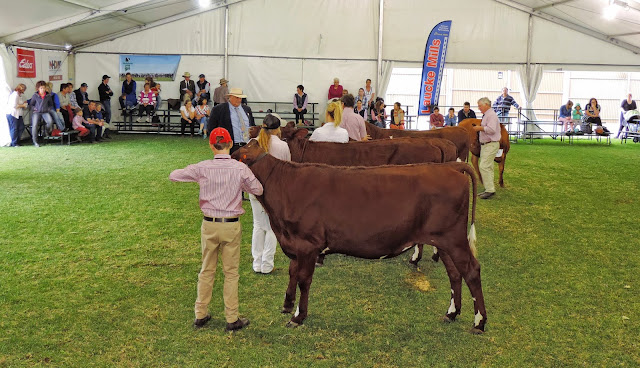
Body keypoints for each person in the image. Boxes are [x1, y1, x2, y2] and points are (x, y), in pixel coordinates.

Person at [169, 127, 263, 331]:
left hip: (209, 224)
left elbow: (174, 175)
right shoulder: (240, 169)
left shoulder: (203, 167)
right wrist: (241, 185)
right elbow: (258, 189)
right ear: (230, 144)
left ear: (211, 145)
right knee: (231, 273)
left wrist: (195, 174)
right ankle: (231, 317)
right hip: (230, 225)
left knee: (206, 270)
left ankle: (200, 313)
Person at [250, 114, 291, 274]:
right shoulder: (282, 146)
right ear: (277, 129)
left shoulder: (252, 144)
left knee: (259, 225)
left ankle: (257, 262)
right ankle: (267, 263)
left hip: (254, 190)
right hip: (274, 191)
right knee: (272, 227)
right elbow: (288, 169)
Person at [207, 88, 256, 154]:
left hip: (247, 146)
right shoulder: (219, 109)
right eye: (236, 97)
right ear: (230, 97)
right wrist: (219, 144)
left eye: (240, 98)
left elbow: (252, 125)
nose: (239, 100)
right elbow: (211, 127)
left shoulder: (247, 109)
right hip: (229, 147)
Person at [473, 97, 501, 199]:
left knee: (484, 166)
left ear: (486, 105)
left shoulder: (491, 115)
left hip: (490, 144)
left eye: (480, 105)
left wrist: (479, 128)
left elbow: (492, 130)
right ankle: (489, 189)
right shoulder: (488, 115)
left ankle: (489, 189)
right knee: (488, 167)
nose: (479, 107)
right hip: (487, 144)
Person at [27, 80, 55, 147]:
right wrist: (34, 109)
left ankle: (46, 132)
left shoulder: (48, 96)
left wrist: (48, 109)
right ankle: (35, 141)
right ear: (38, 89)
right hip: (36, 112)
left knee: (50, 122)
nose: (42, 89)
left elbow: (51, 104)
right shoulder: (35, 95)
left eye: (44, 88)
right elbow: (31, 105)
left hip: (45, 112)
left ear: (45, 88)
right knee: (35, 125)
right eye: (41, 88)